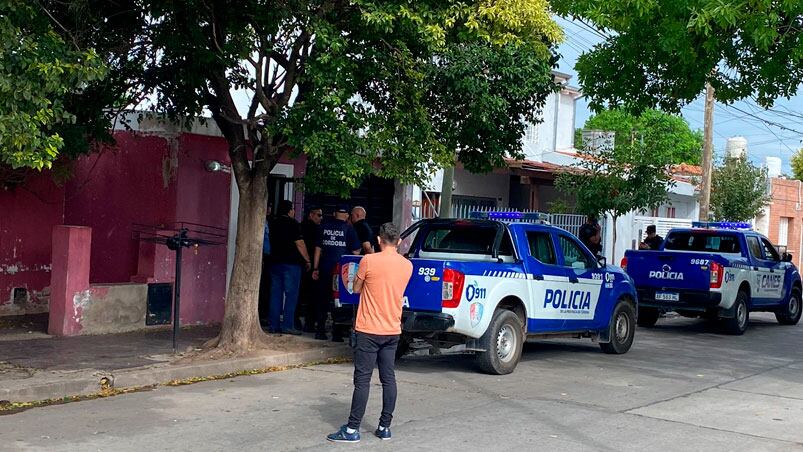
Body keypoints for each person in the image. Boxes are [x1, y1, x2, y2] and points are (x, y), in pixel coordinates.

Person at [326, 223, 414, 443]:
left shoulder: (368, 261)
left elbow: (355, 289)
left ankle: (352, 429)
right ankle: (385, 426)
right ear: (399, 242)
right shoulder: (407, 266)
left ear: (378, 240)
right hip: (392, 329)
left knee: (363, 380)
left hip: (368, 329)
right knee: (388, 378)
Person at [312, 204, 361, 341]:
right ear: (346, 215)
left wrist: (315, 268)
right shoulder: (349, 229)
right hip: (341, 272)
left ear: (334, 214)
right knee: (338, 301)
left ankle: (320, 330)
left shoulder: (323, 227)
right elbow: (356, 251)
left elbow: (317, 249)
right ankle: (337, 333)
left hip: (324, 268)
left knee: (322, 299)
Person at [268, 200, 312, 335]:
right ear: (289, 211)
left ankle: (274, 325)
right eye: (292, 209)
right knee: (291, 295)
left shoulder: (273, 223)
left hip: (275, 262)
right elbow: (300, 244)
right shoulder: (293, 224)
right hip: (291, 264)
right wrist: (308, 260)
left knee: (275, 295)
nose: (294, 211)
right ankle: (288, 325)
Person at [297, 206, 323, 332]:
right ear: (311, 214)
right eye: (319, 215)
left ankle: (297, 321)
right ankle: (309, 323)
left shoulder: (301, 226)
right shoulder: (316, 229)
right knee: (312, 296)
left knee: (300, 294)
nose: (321, 218)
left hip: (302, 265)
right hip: (310, 266)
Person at [258, 204, 272, 327]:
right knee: (263, 287)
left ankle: (264, 315)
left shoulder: (267, 222)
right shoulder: (260, 222)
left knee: (266, 287)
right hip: (262, 256)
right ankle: (262, 315)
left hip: (267, 257)